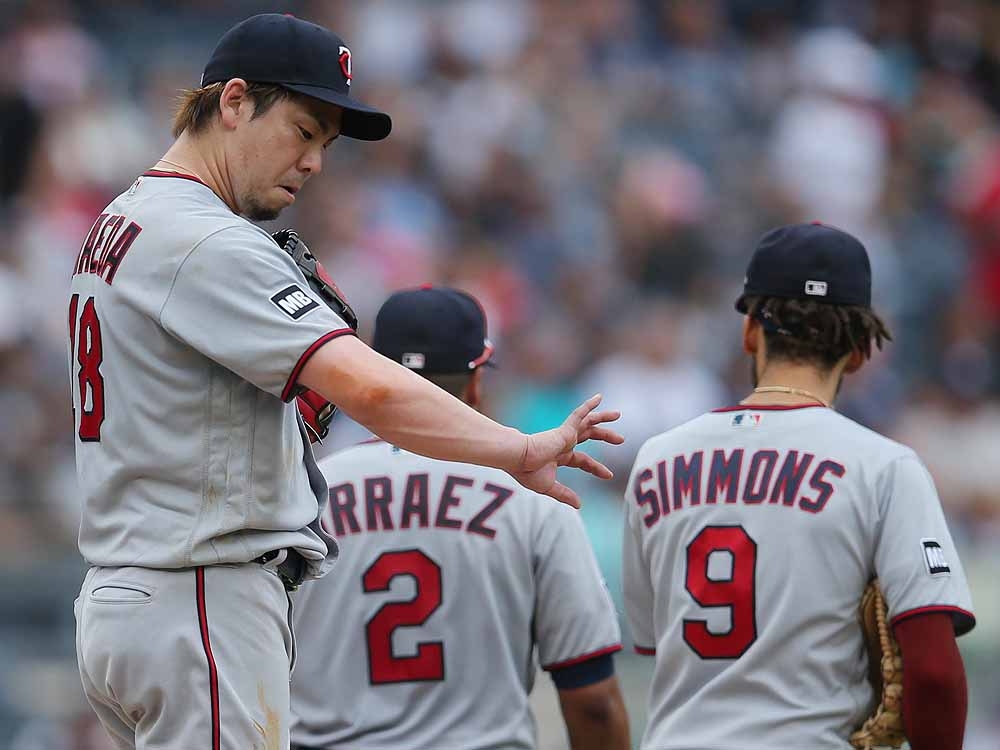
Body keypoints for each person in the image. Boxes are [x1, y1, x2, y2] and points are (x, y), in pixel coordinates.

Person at [69, 14, 622, 750]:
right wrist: (518, 450)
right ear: (233, 102)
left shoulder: (122, 218)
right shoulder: (206, 237)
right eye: (303, 130)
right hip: (200, 593)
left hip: (127, 594)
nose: (315, 162)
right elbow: (377, 392)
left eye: (325, 144)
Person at [622, 223, 975, 750]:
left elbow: (654, 646)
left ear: (750, 332)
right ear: (859, 350)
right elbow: (936, 674)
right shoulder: (883, 468)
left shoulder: (656, 461)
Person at [289, 286, 631, 750]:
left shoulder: (305, 492)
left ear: (371, 374)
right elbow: (591, 698)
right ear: (475, 381)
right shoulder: (533, 492)